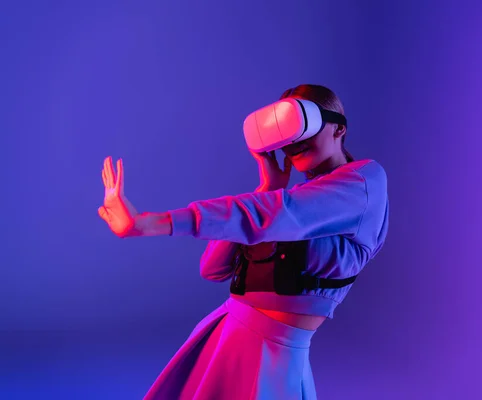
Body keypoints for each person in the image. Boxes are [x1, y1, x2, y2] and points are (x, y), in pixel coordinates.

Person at [98, 84, 389, 399]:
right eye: (290, 136)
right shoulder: (281, 204)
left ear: (338, 128)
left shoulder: (364, 182)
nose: (296, 144)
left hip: (281, 354)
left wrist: (149, 223)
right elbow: (213, 268)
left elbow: (279, 214)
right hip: (229, 335)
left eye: (304, 127)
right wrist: (267, 187)